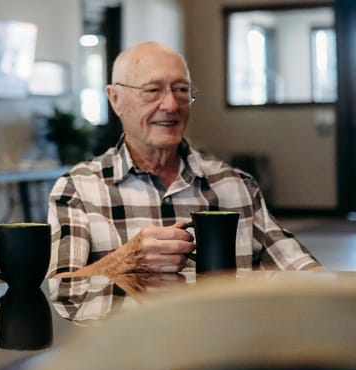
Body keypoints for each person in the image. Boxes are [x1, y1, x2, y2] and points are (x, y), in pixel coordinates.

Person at [47, 41, 321, 278]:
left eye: (181, 89)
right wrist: (124, 260)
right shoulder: (78, 190)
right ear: (115, 98)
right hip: (131, 339)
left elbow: (300, 269)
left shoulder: (236, 185)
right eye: (152, 90)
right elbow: (59, 288)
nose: (171, 105)